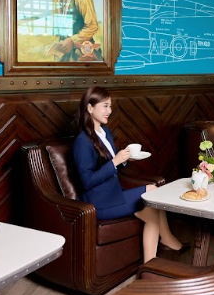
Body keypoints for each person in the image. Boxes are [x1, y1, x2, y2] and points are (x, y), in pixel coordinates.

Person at [73, 86, 186, 262]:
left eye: (110, 106)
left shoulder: (105, 132)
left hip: (113, 194)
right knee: (152, 191)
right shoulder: (82, 141)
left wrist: (125, 160)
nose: (109, 111)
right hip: (99, 203)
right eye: (105, 106)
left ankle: (156, 256)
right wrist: (115, 162)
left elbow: (112, 165)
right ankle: (164, 246)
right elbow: (87, 181)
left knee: (153, 209)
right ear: (90, 108)